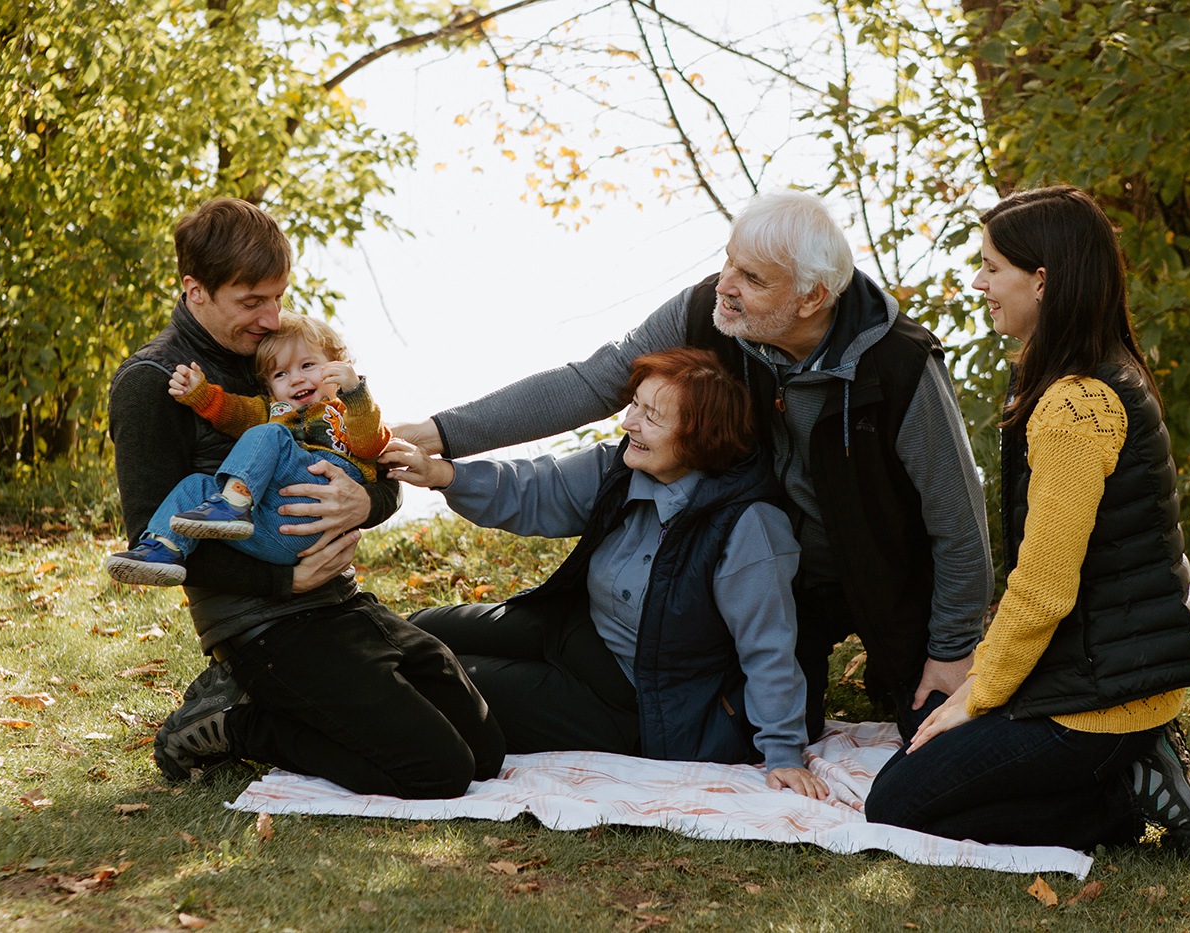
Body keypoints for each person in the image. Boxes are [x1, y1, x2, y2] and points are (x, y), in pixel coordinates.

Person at [392, 191, 994, 741]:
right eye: (728, 261)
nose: (723, 285)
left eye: (751, 278)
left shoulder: (900, 367)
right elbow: (591, 381)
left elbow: (959, 524)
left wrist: (951, 647)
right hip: (740, 563)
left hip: (872, 574)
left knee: (928, 729)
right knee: (427, 637)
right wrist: (443, 434)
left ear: (811, 297)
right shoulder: (708, 311)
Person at [109, 197, 503, 797]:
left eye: (277, 297)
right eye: (251, 302)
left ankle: (288, 699)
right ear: (195, 292)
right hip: (265, 621)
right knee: (438, 772)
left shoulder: (286, 355)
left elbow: (372, 460)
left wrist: (365, 503)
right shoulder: (153, 384)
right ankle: (237, 724)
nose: (270, 317)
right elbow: (152, 537)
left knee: (485, 753)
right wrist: (282, 584)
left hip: (342, 600)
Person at [863, 185, 1190, 855]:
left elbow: (1045, 585)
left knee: (896, 805)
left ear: (1043, 280)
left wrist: (978, 692)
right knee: (923, 753)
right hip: (1108, 679)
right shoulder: (1098, 375)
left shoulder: (1074, 407)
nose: (979, 281)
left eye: (993, 266)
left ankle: (1121, 797)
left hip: (1098, 703)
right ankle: (1128, 765)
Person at [383, 348, 827, 798]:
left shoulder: (748, 527)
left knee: (442, 679)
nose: (629, 422)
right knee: (416, 632)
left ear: (699, 438)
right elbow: (535, 489)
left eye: (651, 416)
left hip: (637, 698)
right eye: (635, 404)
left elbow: (768, 647)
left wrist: (784, 754)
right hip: (578, 630)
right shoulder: (623, 466)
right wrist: (441, 473)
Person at [105, 312, 390, 586]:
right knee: (196, 486)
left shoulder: (347, 411)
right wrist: (200, 394)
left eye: (307, 366)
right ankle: (162, 550)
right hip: (270, 533)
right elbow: (233, 412)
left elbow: (371, 444)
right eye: (280, 374)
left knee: (273, 433)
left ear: (337, 367)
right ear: (269, 387)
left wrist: (355, 392)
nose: (296, 379)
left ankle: (234, 503)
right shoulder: (273, 412)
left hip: (321, 510)